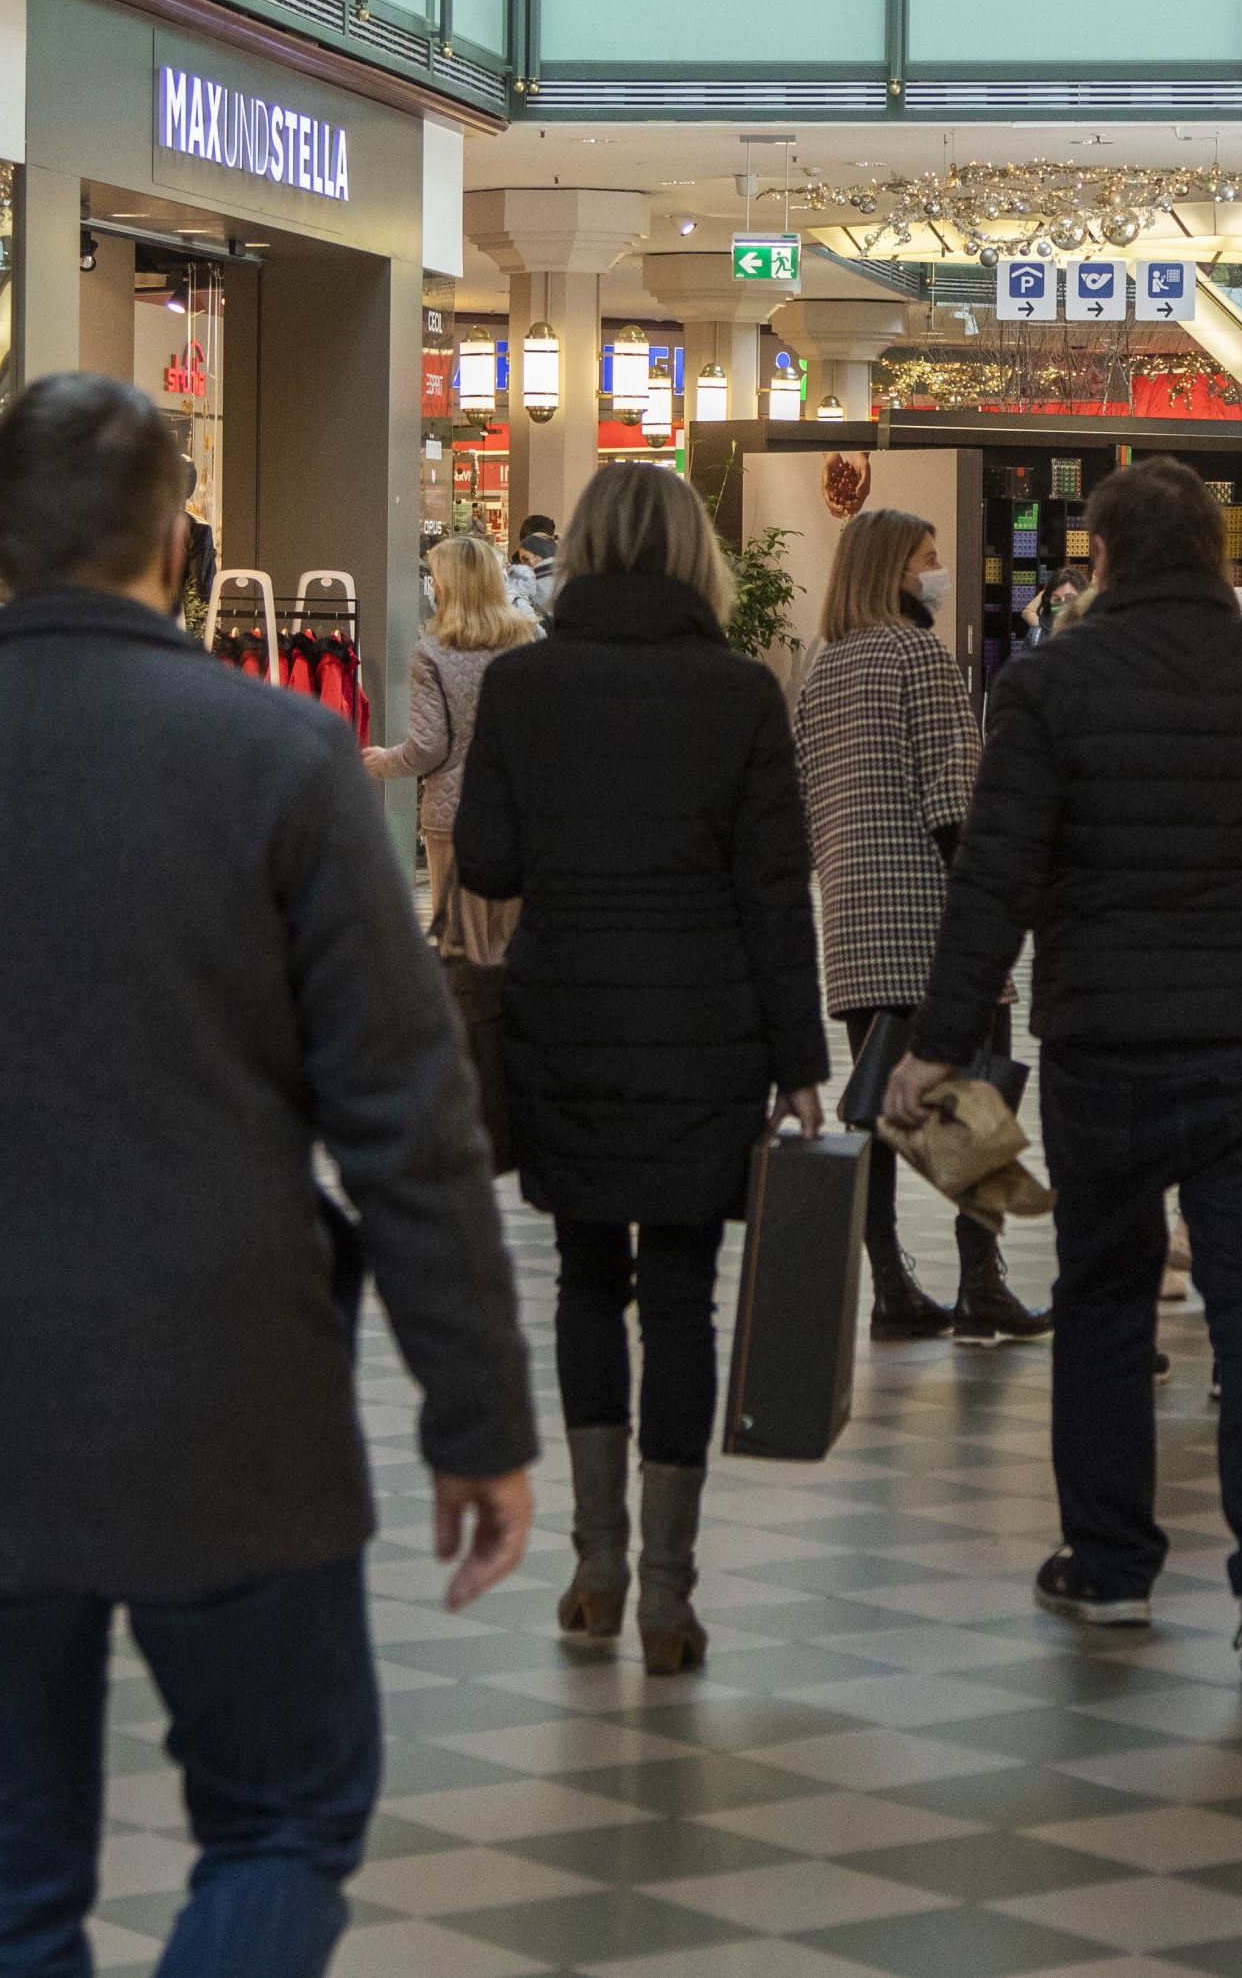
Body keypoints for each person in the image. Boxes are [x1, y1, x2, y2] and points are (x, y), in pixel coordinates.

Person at [0, 374, 538, 1978]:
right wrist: (477, 1419)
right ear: (179, 545)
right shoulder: (281, 762)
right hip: (239, 1399)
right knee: (285, 1819)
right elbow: (409, 1120)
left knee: (6, 1893)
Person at [883, 457, 1242, 1694]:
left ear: (1100, 559)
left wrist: (938, 1043)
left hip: (1105, 1043)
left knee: (1108, 1296)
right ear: (1223, 555)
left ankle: (1111, 1562)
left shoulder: (1051, 686)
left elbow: (994, 880)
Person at [455, 460, 829, 1678]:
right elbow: (775, 894)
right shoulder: (737, 695)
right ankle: (669, 1589)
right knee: (679, 1295)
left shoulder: (521, 685)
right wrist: (797, 1061)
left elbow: (491, 867)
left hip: (565, 1014)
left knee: (581, 1282)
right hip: (706, 1022)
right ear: (691, 553)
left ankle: (595, 1563)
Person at [791, 507, 1049, 1347]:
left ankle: (891, 1284)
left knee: (880, 1106)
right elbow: (952, 802)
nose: (940, 574)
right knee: (973, 1099)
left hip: (855, 920)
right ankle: (982, 1284)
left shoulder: (821, 668)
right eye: (929, 560)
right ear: (892, 572)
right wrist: (995, 906)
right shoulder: (917, 655)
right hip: (932, 915)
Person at [364, 534, 535, 959]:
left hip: (453, 813)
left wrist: (380, 762)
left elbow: (428, 748)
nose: (433, 587)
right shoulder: (528, 643)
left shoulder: (432, 653)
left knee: (460, 945)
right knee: (512, 940)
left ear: (451, 586)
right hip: (521, 809)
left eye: (436, 578)